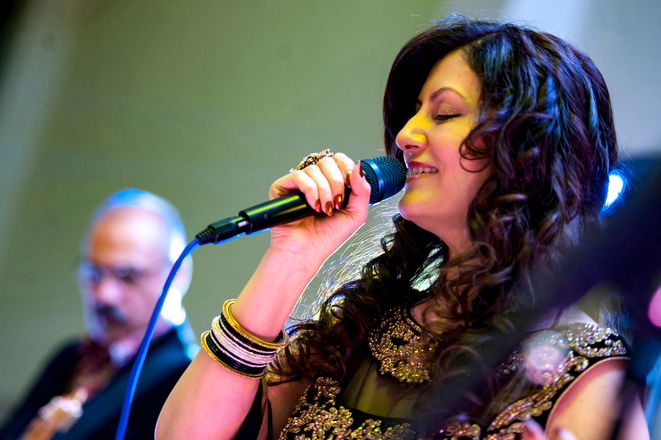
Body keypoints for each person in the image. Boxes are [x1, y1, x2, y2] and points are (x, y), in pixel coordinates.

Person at [157, 17, 648, 440]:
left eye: (444, 113)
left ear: (527, 152)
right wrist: (291, 255)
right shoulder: (357, 331)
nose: (406, 135)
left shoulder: (587, 375)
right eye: (413, 112)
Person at [0, 189, 196, 440]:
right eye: (93, 273)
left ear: (178, 274)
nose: (104, 295)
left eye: (127, 275)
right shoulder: (70, 357)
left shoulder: (187, 382)